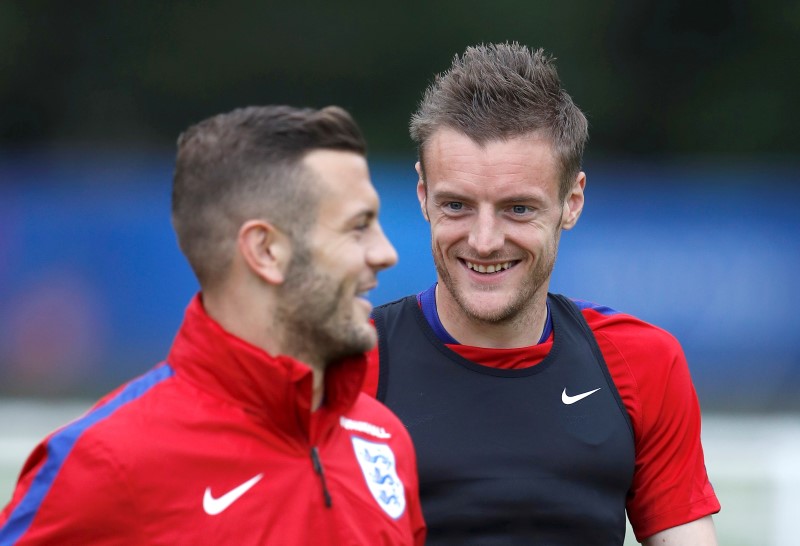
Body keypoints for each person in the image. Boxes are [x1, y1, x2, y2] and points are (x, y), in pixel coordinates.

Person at [0, 105, 426, 545]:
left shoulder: (384, 439)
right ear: (265, 251)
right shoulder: (108, 461)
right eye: (358, 227)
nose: (385, 252)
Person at [362, 42, 720, 545]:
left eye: (518, 209)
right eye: (458, 205)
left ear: (571, 202)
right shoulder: (347, 365)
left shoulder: (643, 362)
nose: (484, 241)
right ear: (423, 195)